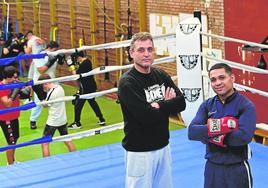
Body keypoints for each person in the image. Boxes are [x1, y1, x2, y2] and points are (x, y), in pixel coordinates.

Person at [118, 32, 186, 188]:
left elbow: (181, 103)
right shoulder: (128, 82)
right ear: (131, 53)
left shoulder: (160, 75)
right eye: (141, 50)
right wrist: (167, 103)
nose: (146, 54)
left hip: (163, 146)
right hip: (140, 151)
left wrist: (159, 105)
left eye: (150, 49)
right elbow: (146, 116)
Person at [188, 63, 256, 188]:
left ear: (232, 78)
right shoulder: (207, 105)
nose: (217, 83)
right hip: (212, 168)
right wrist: (224, 127)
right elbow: (192, 132)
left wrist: (208, 134)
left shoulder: (246, 106)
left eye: (222, 77)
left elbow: (242, 137)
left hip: (236, 168)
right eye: (213, 80)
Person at [38, 74, 76, 157]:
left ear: (46, 83)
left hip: (53, 122)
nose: (42, 87)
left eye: (42, 85)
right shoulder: (60, 87)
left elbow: (45, 105)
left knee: (44, 143)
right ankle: (75, 157)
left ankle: (47, 162)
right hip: (63, 120)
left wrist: (41, 98)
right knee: (67, 140)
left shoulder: (51, 94)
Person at [67, 51, 106, 129]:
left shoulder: (85, 63)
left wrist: (71, 65)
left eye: (76, 59)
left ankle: (77, 123)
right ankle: (101, 119)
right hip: (89, 86)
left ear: (79, 57)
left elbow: (75, 75)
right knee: (92, 102)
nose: (76, 61)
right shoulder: (86, 62)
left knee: (78, 105)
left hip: (86, 88)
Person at [29, 41, 61, 129]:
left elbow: (56, 67)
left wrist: (61, 59)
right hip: (40, 82)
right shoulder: (40, 56)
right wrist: (51, 61)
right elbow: (41, 70)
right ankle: (33, 120)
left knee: (57, 100)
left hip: (52, 81)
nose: (56, 51)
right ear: (49, 48)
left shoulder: (54, 55)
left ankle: (57, 119)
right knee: (39, 102)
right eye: (55, 50)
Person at [0, 66, 21, 164]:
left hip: (14, 117)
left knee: (15, 138)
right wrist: (15, 92)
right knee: (11, 142)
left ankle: (12, 161)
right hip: (6, 119)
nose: (16, 79)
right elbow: (7, 104)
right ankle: (10, 165)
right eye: (14, 77)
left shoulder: (13, 83)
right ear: (9, 77)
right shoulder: (2, 87)